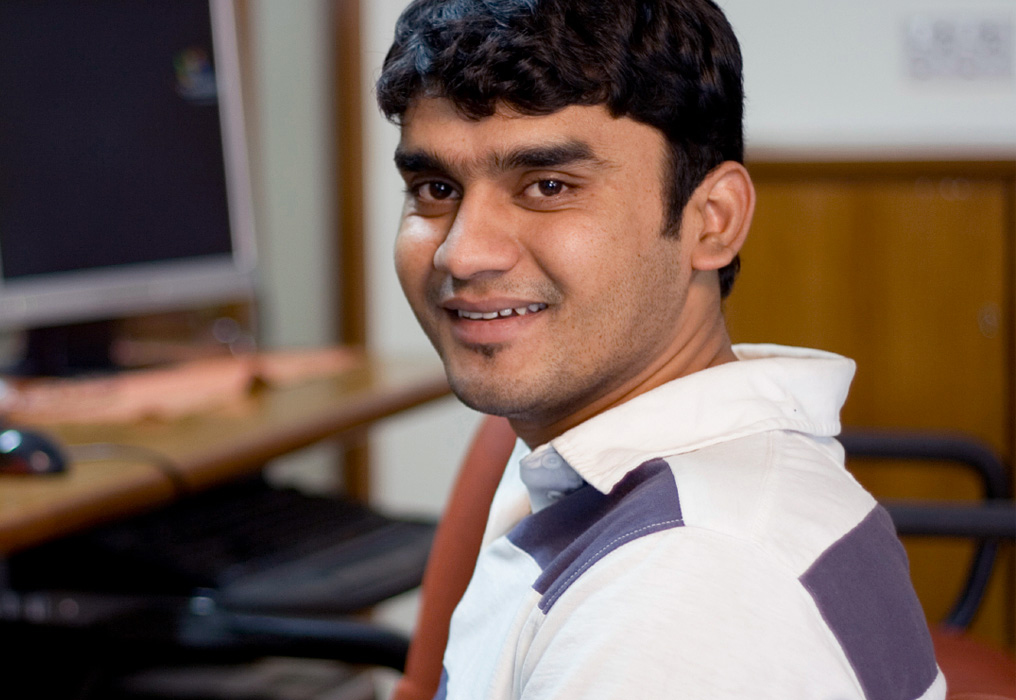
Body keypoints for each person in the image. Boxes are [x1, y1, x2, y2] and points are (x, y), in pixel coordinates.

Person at [376, 0, 944, 697]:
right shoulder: (632, 473)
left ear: (714, 221)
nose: (462, 253)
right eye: (435, 189)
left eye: (548, 186)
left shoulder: (683, 593)